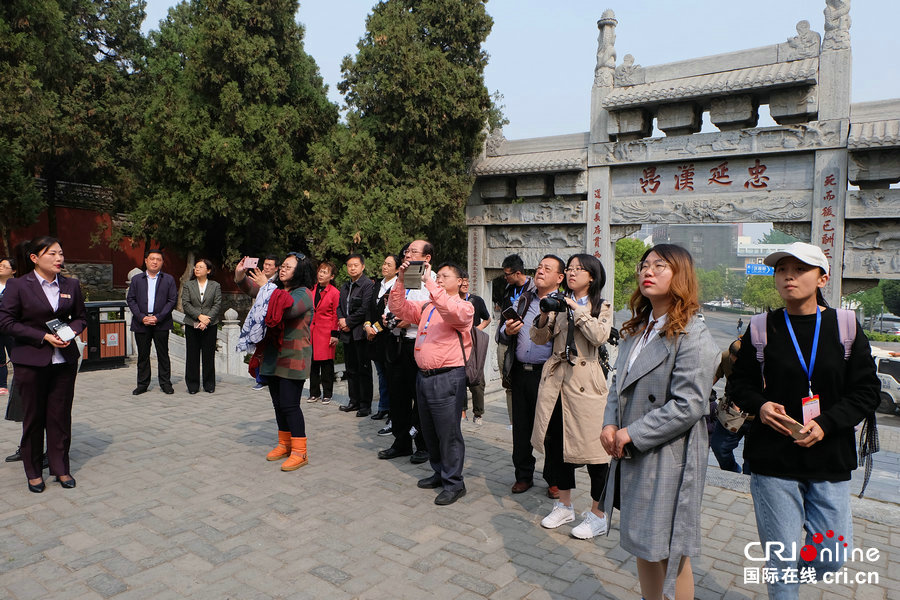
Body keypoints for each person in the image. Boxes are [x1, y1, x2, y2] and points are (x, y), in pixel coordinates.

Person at [729, 242, 880, 600]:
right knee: (781, 559)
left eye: (799, 269)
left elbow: (867, 391)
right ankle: (782, 579)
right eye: (782, 270)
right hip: (773, 459)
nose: (789, 277)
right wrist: (761, 407)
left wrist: (826, 423)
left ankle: (783, 577)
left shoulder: (845, 326)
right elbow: (740, 385)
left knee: (832, 555)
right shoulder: (761, 327)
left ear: (822, 278)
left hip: (829, 458)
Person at [600, 244, 717, 600]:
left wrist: (631, 432)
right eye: (644, 265)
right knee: (642, 540)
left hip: (669, 453)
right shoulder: (638, 328)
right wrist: (609, 424)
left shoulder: (693, 334)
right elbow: (617, 384)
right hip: (632, 447)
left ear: (681, 275)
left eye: (660, 265)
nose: (647, 271)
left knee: (669, 548)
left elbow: (689, 404)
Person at [531, 254, 613, 539]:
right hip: (557, 383)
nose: (572, 272)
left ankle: (598, 515)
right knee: (557, 446)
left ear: (592, 276)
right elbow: (538, 338)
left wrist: (576, 309)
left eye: (579, 269)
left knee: (595, 454)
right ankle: (564, 506)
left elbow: (599, 336)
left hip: (586, 385)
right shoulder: (558, 303)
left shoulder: (602, 306)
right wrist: (545, 314)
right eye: (569, 268)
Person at [0, 237, 86, 492]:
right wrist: (43, 337)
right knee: (34, 418)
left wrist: (69, 332)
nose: (59, 258)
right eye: (52, 254)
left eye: (61, 253)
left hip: (64, 361)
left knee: (60, 417)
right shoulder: (18, 285)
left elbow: (80, 317)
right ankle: (34, 471)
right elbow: (6, 322)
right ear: (35, 258)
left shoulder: (71, 284)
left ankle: (60, 468)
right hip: (31, 361)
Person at [388, 259, 474, 505]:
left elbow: (451, 312)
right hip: (424, 376)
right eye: (439, 276)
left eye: (445, 276)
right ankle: (439, 472)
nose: (439, 280)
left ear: (460, 282)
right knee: (430, 430)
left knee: (448, 433)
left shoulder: (464, 307)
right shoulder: (428, 306)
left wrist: (429, 283)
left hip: (447, 377)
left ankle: (454, 483)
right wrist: (401, 280)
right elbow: (398, 307)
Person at [504, 254, 564, 497]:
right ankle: (523, 475)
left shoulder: (563, 305)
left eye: (547, 269)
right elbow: (502, 332)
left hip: (548, 376)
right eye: (539, 267)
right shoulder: (525, 298)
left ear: (559, 278)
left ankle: (554, 479)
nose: (540, 271)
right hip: (520, 373)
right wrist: (507, 330)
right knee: (521, 428)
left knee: (551, 429)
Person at [256, 252, 317, 471]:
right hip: (274, 354)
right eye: (282, 266)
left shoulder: (304, 293)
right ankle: (285, 444)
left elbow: (288, 310)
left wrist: (267, 288)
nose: (282, 269)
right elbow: (254, 292)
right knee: (278, 404)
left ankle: (300, 452)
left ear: (299, 271)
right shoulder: (277, 290)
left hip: (294, 355)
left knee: (290, 405)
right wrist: (240, 276)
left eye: (288, 267)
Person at [377, 240, 431, 464]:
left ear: (427, 258)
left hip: (418, 345)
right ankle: (401, 442)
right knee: (398, 396)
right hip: (396, 344)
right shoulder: (401, 279)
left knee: (420, 399)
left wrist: (410, 319)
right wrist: (387, 317)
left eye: (413, 252)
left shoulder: (432, 280)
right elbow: (391, 306)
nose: (408, 255)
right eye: (407, 251)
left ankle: (424, 445)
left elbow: (433, 312)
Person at [126, 249, 177, 395]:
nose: (155, 262)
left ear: (162, 262)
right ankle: (142, 384)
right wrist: (141, 317)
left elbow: (172, 300)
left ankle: (165, 383)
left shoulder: (168, 279)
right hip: (141, 322)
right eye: (152, 259)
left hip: (161, 323)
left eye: (158, 259)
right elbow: (131, 299)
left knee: (163, 354)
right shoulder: (137, 279)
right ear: (146, 260)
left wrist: (158, 317)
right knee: (143, 355)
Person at [496, 254, 535, 425]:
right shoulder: (508, 288)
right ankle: (514, 423)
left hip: (525, 342)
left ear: (518, 273)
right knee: (508, 383)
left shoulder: (534, 289)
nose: (505, 277)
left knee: (526, 384)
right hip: (506, 340)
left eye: (507, 274)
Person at [337, 254, 375, 416]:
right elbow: (339, 307)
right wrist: (341, 320)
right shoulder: (345, 286)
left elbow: (365, 308)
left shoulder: (367, 285)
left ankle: (365, 405)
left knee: (363, 370)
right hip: (347, 334)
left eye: (355, 265)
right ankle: (354, 401)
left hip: (360, 333)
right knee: (351, 369)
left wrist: (348, 322)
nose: (352, 268)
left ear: (363, 267)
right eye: (349, 265)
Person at [235, 255, 279, 391]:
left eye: (270, 265)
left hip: (274, 322)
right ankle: (261, 379)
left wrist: (266, 286)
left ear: (277, 268)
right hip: (259, 322)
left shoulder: (281, 282)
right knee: (259, 351)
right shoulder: (260, 279)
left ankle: (272, 378)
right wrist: (240, 273)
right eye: (265, 264)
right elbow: (248, 287)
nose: (266, 267)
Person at [709, 339, 753, 474]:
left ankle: (745, 482)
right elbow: (711, 379)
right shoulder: (725, 357)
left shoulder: (763, 362)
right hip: (731, 414)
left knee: (751, 462)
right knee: (719, 447)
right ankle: (733, 472)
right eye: (734, 362)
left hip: (758, 417)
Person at [364, 253, 400, 421]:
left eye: (389, 264)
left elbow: (391, 314)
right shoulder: (377, 285)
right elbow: (369, 309)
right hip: (374, 338)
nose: (384, 267)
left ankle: (393, 410)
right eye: (384, 263)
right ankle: (383, 406)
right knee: (381, 374)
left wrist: (374, 329)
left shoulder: (398, 286)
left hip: (389, 337)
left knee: (391, 375)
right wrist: (367, 326)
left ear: (397, 269)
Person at [182, 258, 222, 394]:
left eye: (200, 267)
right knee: (192, 355)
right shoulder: (188, 285)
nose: (197, 269)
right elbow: (186, 304)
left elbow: (217, 304)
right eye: (196, 267)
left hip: (210, 325)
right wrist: (199, 316)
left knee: (208, 355)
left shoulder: (215, 285)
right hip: (191, 323)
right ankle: (192, 385)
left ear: (208, 270)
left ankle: (209, 384)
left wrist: (206, 321)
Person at [459, 271, 490, 425]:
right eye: (462, 281)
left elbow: (487, 319)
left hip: (473, 345)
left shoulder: (476, 300)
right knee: (459, 378)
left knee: (477, 379)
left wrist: (476, 330)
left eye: (467, 281)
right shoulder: (451, 300)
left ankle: (478, 413)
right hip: (456, 345)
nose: (465, 284)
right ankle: (462, 412)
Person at [307, 261, 339, 405]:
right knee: (313, 363)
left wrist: (334, 334)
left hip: (326, 333)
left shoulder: (334, 293)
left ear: (331, 277)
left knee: (326, 364)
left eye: (325, 272)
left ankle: (327, 393)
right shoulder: (312, 290)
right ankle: (314, 393)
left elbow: (336, 315)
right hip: (312, 331)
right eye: (320, 271)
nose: (321, 274)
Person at [0, 256, 15, 397]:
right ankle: (2, 385)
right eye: (0, 265)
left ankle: (20, 382)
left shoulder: (17, 286)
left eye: (5, 266)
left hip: (12, 327)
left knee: (16, 354)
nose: (1, 268)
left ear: (13, 270)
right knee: (0, 357)